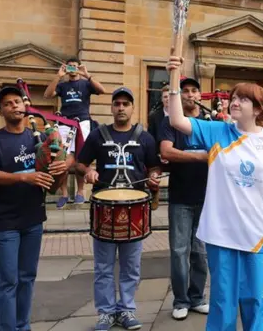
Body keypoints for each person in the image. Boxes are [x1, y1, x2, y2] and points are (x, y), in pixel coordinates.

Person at [166, 56, 263, 331]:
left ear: (258, 109)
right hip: (221, 231)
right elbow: (177, 119)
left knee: (255, 298)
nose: (234, 102)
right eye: (233, 97)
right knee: (222, 301)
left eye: (243, 99)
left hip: (257, 230)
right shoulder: (218, 131)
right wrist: (174, 75)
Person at [0, 86, 69, 331]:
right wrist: (25, 178)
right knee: (7, 281)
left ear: (25, 106)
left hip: (33, 218)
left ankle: (23, 326)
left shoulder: (37, 139)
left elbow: (52, 184)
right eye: (7, 103)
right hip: (4, 220)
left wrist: (62, 168)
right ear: (0, 110)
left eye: (18, 101)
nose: (14, 106)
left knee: (27, 278)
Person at [76, 87, 161, 331]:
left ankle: (126, 310)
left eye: (126, 103)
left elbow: (154, 166)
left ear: (132, 108)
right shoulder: (98, 136)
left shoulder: (144, 137)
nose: (121, 107)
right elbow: (79, 164)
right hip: (104, 206)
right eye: (117, 104)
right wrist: (88, 171)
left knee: (131, 265)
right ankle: (105, 312)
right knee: (103, 266)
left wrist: (154, 177)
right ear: (112, 107)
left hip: (135, 207)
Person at [158, 77, 210, 320]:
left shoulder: (210, 122)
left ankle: (197, 297)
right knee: (179, 251)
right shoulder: (170, 123)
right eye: (185, 91)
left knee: (200, 252)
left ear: (200, 95)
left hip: (206, 197)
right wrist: (201, 156)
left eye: (193, 91)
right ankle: (180, 300)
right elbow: (166, 151)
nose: (189, 95)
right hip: (180, 196)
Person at [44, 57, 106, 208]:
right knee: (60, 158)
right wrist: (58, 75)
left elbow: (102, 90)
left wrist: (87, 74)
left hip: (82, 122)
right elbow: (47, 95)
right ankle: (64, 194)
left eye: (74, 66)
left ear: (78, 67)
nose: (72, 69)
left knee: (81, 158)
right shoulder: (63, 85)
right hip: (64, 123)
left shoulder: (85, 83)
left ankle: (80, 192)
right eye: (69, 66)